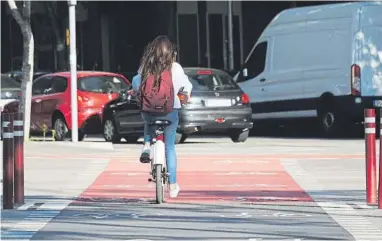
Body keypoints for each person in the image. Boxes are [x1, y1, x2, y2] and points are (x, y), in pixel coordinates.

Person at [130, 36, 193, 198]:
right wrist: (186, 95)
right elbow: (186, 86)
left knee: (147, 119)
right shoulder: (175, 68)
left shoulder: (146, 66)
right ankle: (172, 185)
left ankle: (146, 145)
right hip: (170, 112)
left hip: (149, 111)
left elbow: (136, 83)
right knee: (170, 147)